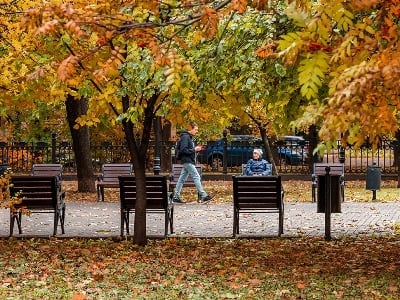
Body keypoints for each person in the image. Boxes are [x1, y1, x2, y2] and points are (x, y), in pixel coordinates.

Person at [171, 122, 215, 204]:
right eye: (195, 129)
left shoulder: (189, 137)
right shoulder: (185, 137)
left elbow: (188, 150)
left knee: (181, 179)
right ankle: (204, 196)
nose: (196, 131)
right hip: (187, 161)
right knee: (196, 176)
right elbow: (183, 150)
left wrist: (198, 149)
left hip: (188, 160)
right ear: (190, 129)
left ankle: (175, 197)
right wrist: (194, 149)